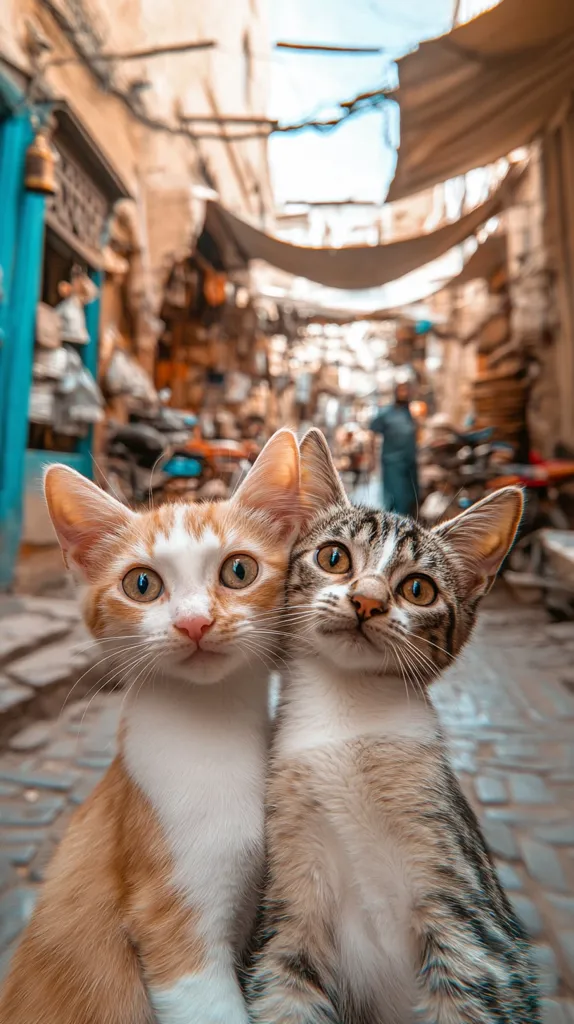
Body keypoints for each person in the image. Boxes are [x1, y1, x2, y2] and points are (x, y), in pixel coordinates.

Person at [370, 381, 419, 516]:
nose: (404, 394)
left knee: (410, 495)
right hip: (393, 462)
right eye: (401, 391)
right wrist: (372, 459)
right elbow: (373, 433)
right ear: (396, 393)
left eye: (406, 391)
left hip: (409, 462)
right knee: (395, 496)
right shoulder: (386, 413)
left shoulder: (408, 413)